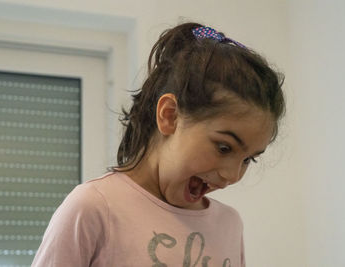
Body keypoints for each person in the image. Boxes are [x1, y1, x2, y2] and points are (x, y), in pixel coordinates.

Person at [32, 22, 285, 267]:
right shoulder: (93, 207)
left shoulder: (229, 224)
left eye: (248, 159)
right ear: (169, 115)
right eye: (223, 147)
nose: (232, 176)